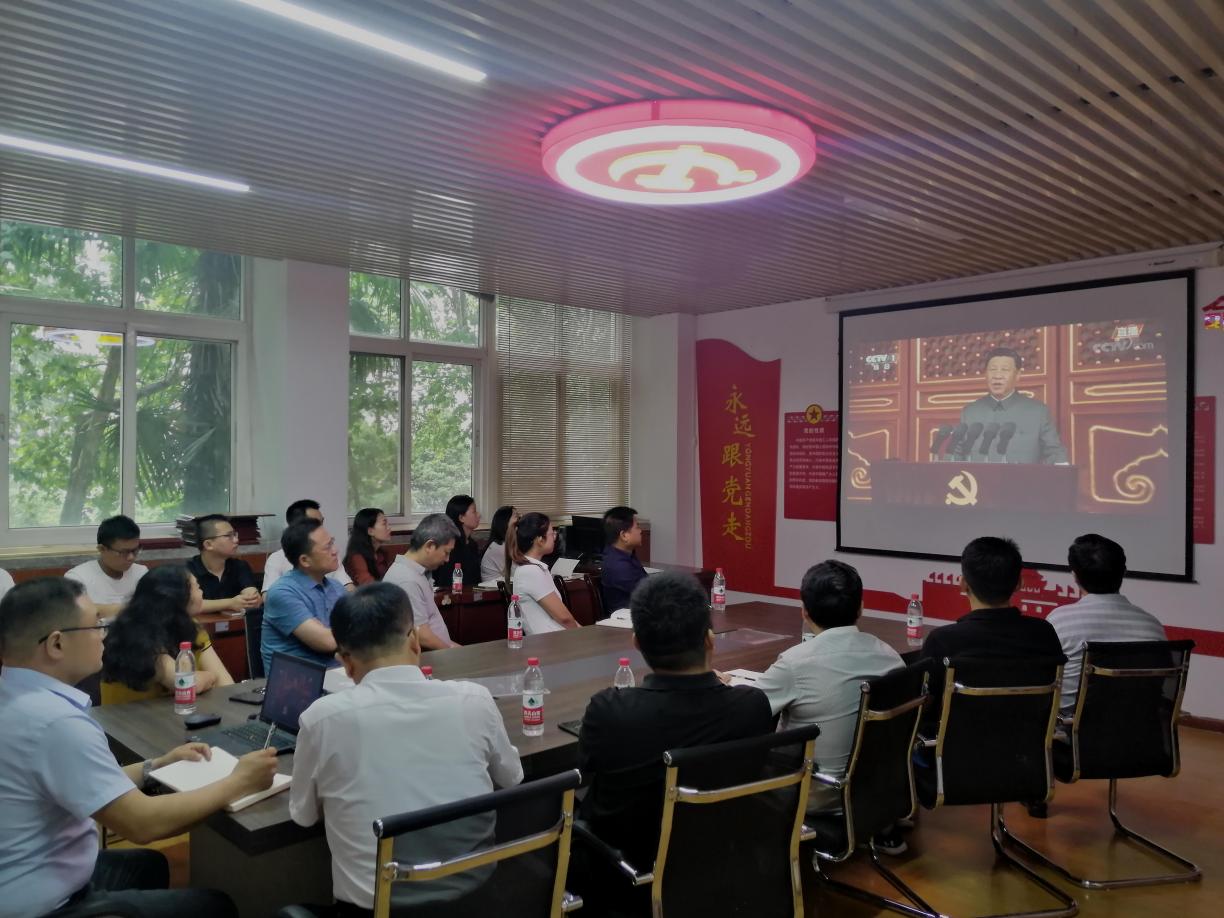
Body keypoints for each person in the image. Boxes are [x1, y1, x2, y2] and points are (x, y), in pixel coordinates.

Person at [0, 577, 277, 918]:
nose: (103, 635)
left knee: (150, 865)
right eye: (95, 626)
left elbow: (85, 780)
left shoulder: (16, 696)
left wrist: (155, 765)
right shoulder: (55, 723)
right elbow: (144, 824)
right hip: (42, 905)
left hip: (32, 868)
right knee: (216, 906)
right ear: (56, 644)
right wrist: (240, 781)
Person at [289, 582, 523, 915]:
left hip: (374, 910)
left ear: (346, 662)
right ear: (414, 640)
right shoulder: (474, 700)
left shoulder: (321, 720)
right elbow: (512, 777)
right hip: (476, 900)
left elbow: (304, 815)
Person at [576, 572, 774, 898]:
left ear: (636, 642)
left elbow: (585, 768)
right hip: (722, 857)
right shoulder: (752, 706)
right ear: (709, 640)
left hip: (630, 871)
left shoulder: (609, 711)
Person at [749, 560, 903, 842]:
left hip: (817, 794)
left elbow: (746, 710)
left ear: (804, 612)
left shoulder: (795, 663)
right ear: (861, 608)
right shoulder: (890, 656)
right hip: (875, 790)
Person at [917, 536, 1065, 729]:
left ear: (963, 584)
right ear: (1019, 584)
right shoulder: (1044, 633)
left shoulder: (942, 640)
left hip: (958, 746)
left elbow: (922, 705)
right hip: (1029, 745)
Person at [1047, 534, 1166, 711]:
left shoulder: (1059, 621)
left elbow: (1043, 679)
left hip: (1071, 724)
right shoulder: (1152, 626)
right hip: (1138, 723)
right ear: (1124, 572)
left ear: (1075, 575)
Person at [101, 565, 235, 705]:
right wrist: (210, 676)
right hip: (129, 715)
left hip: (172, 713)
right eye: (197, 587)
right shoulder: (135, 635)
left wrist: (210, 678)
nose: (202, 592)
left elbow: (225, 683)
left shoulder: (191, 627)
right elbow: (187, 685)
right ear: (178, 597)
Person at [261, 519, 346, 673]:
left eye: (332, 543)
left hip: (338, 675)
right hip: (297, 681)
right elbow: (326, 642)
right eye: (327, 547)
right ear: (305, 560)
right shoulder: (282, 592)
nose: (335, 551)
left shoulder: (337, 587)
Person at [958, 346, 1068, 464]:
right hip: (977, 476)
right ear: (986, 374)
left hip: (1022, 476)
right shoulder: (970, 412)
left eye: (1005, 370)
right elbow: (957, 453)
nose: (997, 375)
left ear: (1018, 375)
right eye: (992, 369)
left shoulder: (1038, 412)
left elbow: (1055, 452)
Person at [383, 514, 461, 651]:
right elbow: (422, 635)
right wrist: (453, 652)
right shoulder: (407, 580)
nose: (447, 559)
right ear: (430, 546)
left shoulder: (416, 573)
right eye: (446, 552)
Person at [262, 499, 354, 595]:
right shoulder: (277, 559)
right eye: (315, 524)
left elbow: (348, 587)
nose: (321, 527)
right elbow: (268, 596)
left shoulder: (330, 553)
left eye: (321, 522)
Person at [509, 512, 579, 634]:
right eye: (552, 534)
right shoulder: (530, 571)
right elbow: (564, 618)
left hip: (556, 636)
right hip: (548, 640)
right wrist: (581, 634)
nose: (555, 537)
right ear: (540, 540)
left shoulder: (535, 568)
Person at [65, 515, 149, 616]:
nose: (131, 557)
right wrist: (131, 608)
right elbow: (74, 613)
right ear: (102, 549)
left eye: (135, 550)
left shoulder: (141, 573)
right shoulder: (78, 578)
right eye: (123, 552)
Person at [185, 515, 262, 615]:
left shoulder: (240, 566)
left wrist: (252, 597)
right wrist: (230, 603)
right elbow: (189, 605)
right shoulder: (188, 569)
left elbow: (251, 593)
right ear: (208, 544)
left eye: (235, 534)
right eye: (228, 536)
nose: (236, 540)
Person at [600, 506, 648, 612]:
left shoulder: (624, 554)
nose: (640, 531)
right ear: (624, 535)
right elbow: (650, 593)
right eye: (637, 527)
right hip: (630, 618)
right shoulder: (618, 565)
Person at [431, 495, 483, 589]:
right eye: (474, 512)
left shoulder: (472, 544)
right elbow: (445, 582)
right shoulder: (450, 546)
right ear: (461, 518)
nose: (479, 515)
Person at [343, 507, 396, 585]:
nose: (389, 528)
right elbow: (370, 586)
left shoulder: (380, 553)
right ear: (370, 531)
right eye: (384, 524)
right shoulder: (356, 557)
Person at [480, 504, 518, 583]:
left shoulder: (505, 544)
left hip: (503, 584)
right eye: (516, 516)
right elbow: (517, 573)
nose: (519, 520)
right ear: (505, 522)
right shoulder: (499, 547)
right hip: (493, 587)